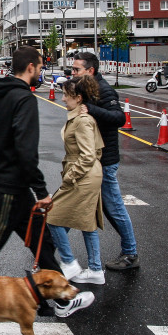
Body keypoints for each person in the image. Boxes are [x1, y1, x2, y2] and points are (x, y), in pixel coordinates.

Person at [0, 46, 95, 318]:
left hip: (17, 191)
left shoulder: (1, 97)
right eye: (40, 66)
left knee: (41, 242)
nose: (42, 71)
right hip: (9, 189)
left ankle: (61, 300)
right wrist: (42, 191)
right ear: (31, 67)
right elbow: (25, 149)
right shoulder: (24, 100)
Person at [71, 52, 139, 271]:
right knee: (104, 208)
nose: (73, 73)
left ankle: (130, 253)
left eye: (76, 70)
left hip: (105, 159)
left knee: (114, 207)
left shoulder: (105, 89)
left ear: (90, 71)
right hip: (95, 158)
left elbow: (119, 118)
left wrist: (91, 109)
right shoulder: (88, 87)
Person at [47, 75, 106, 285]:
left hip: (84, 175)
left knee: (52, 217)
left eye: (67, 95)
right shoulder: (80, 117)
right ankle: (96, 269)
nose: (63, 99)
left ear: (78, 98)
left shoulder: (82, 121)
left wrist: (71, 176)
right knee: (87, 223)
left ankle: (69, 262)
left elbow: (88, 155)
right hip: (88, 174)